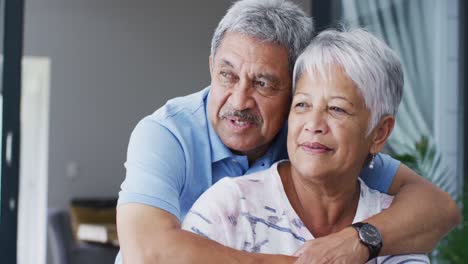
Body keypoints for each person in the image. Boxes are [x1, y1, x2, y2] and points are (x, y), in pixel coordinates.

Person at [116, 0, 461, 263]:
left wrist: (357, 241)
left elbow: (438, 207)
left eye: (263, 83)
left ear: (293, 90)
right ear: (211, 67)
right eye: (228, 75)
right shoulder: (166, 133)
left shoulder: (313, 143)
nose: (240, 100)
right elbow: (148, 253)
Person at [182, 27, 430, 264]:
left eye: (336, 109)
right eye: (302, 105)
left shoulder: (394, 227)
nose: (313, 124)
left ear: (379, 133)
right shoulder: (230, 207)